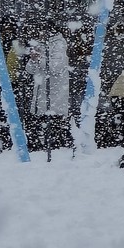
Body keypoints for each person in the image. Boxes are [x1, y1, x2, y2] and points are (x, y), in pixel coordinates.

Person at [25, 26, 71, 158]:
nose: (39, 34)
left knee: (54, 122)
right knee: (40, 120)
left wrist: (40, 59)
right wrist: (33, 59)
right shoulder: (40, 45)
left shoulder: (59, 44)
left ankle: (56, 147)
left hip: (55, 93)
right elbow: (30, 70)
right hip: (41, 92)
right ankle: (38, 146)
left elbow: (56, 67)